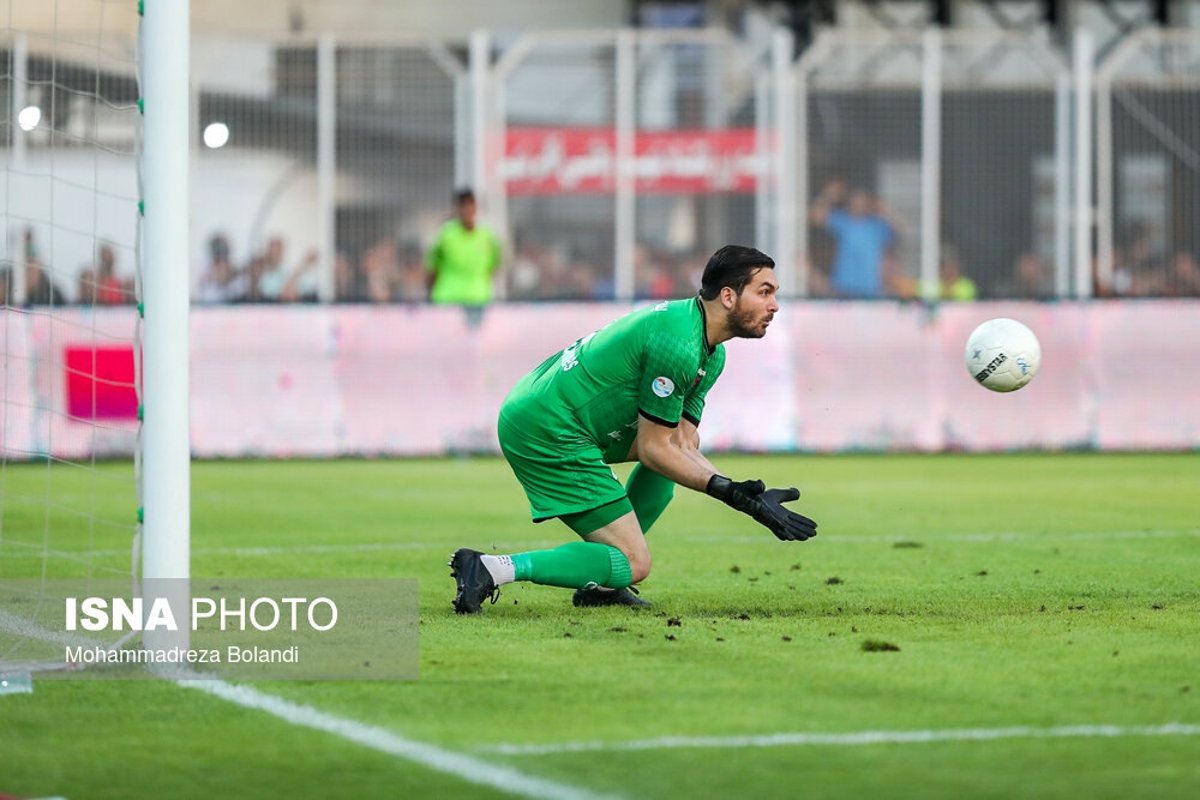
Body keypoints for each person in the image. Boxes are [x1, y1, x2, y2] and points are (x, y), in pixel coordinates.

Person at [448, 245, 818, 614]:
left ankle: (604, 586)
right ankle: (491, 568)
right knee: (635, 562)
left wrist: (744, 496)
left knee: (681, 443)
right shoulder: (678, 343)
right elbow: (653, 448)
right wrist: (730, 493)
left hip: (557, 415)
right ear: (728, 296)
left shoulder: (710, 352)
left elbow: (681, 443)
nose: (774, 305)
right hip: (547, 427)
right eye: (764, 292)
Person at [809, 179, 899, 299]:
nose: (859, 203)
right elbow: (814, 214)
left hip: (870, 291)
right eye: (855, 199)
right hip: (843, 288)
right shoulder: (842, 221)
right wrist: (828, 196)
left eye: (863, 199)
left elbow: (900, 230)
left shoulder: (877, 225)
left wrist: (884, 210)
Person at [426, 188, 502, 321]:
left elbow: (494, 266)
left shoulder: (487, 236)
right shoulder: (446, 234)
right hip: (448, 299)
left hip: (478, 300)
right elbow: (433, 267)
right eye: (463, 205)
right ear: (457, 209)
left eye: (471, 204)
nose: (467, 209)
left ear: (477, 207)